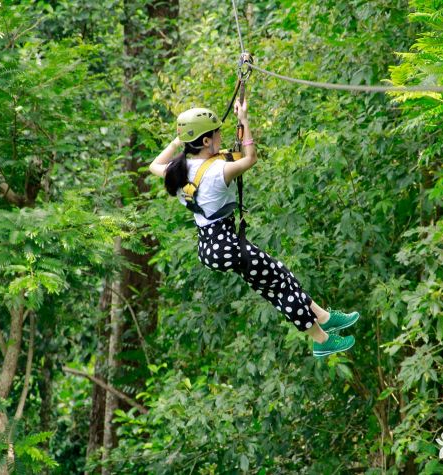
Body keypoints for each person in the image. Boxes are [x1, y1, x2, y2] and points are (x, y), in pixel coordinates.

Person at [149, 97, 360, 357]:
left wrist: (176, 142)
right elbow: (250, 159)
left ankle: (325, 318)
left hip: (211, 245)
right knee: (280, 285)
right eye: (217, 135)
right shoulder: (217, 172)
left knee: (277, 277)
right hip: (226, 243)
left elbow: (153, 165)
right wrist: (244, 120)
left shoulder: (177, 170)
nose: (220, 138)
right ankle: (322, 340)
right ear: (206, 141)